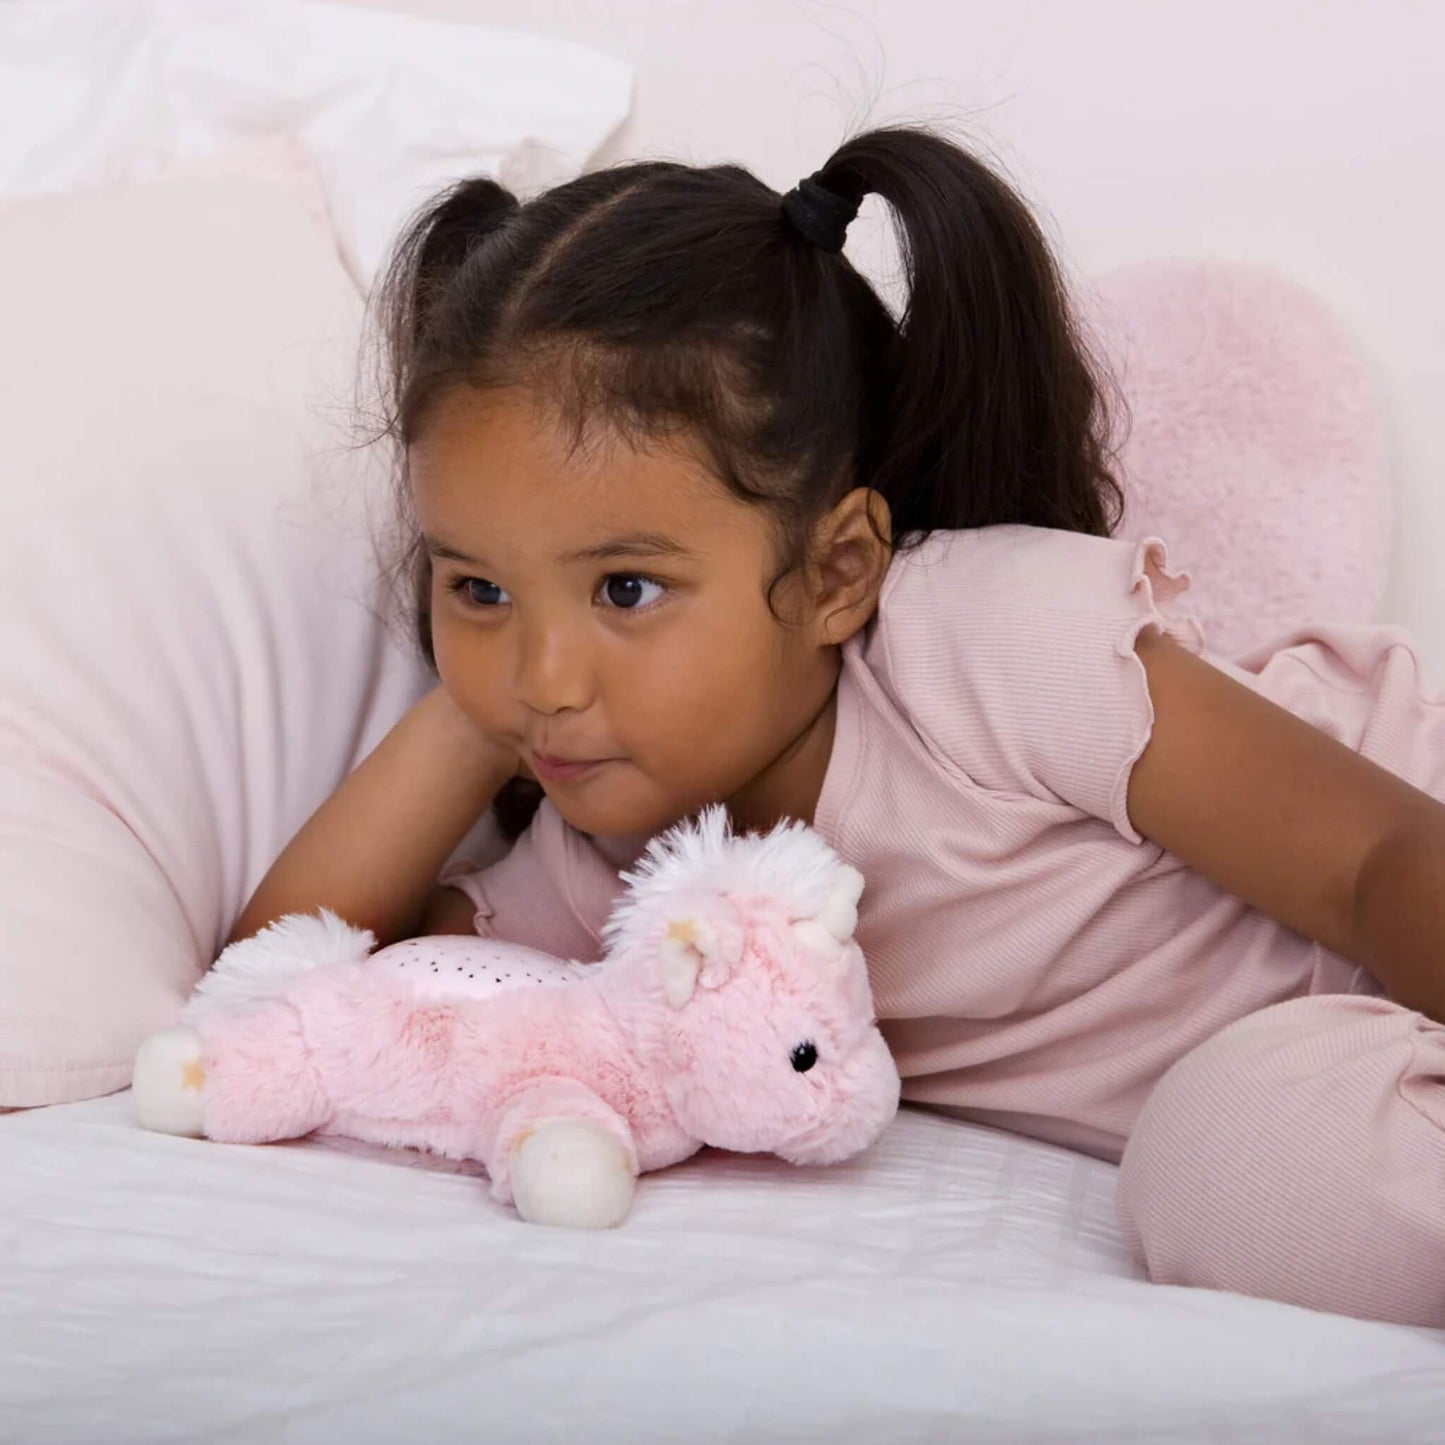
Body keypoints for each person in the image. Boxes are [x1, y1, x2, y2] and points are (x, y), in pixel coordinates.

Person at [230, 124, 1445, 1329]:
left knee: (1242, 1159)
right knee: (1241, 1169)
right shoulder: (621, 880)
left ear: (836, 571)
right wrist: (475, 712)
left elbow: (1374, 859)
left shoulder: (985, 639)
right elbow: (281, 985)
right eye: (476, 587)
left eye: (624, 590)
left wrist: (505, 637)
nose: (548, 675)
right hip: (1346, 1079)